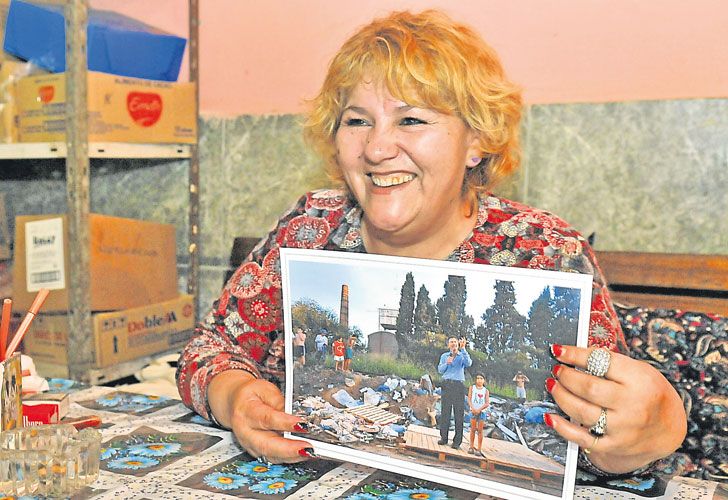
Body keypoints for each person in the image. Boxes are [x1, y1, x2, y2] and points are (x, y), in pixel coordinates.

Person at [176, 9, 687, 473]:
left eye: (412, 120)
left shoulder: (546, 253)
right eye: (357, 121)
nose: (376, 147)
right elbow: (211, 347)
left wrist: (645, 434)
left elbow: (608, 434)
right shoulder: (311, 224)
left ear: (478, 140)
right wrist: (234, 396)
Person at [437, 336, 472, 449]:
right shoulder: (444, 356)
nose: (453, 344)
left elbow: (468, 363)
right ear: (448, 345)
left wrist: (463, 349)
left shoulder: (462, 356)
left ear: (458, 344)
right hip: (447, 384)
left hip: (458, 385)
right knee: (445, 412)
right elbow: (440, 370)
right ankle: (444, 437)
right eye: (451, 342)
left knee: (458, 413)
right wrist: (447, 363)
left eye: (455, 342)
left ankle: (457, 441)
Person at [468, 373, 490, 455]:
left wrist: (479, 409)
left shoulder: (485, 391)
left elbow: (487, 403)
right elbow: (469, 399)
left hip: (482, 412)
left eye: (481, 378)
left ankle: (479, 448)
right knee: (473, 429)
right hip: (473, 411)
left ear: (484, 380)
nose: (479, 380)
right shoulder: (472, 388)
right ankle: (471, 446)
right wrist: (473, 408)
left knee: (480, 431)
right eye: (477, 378)